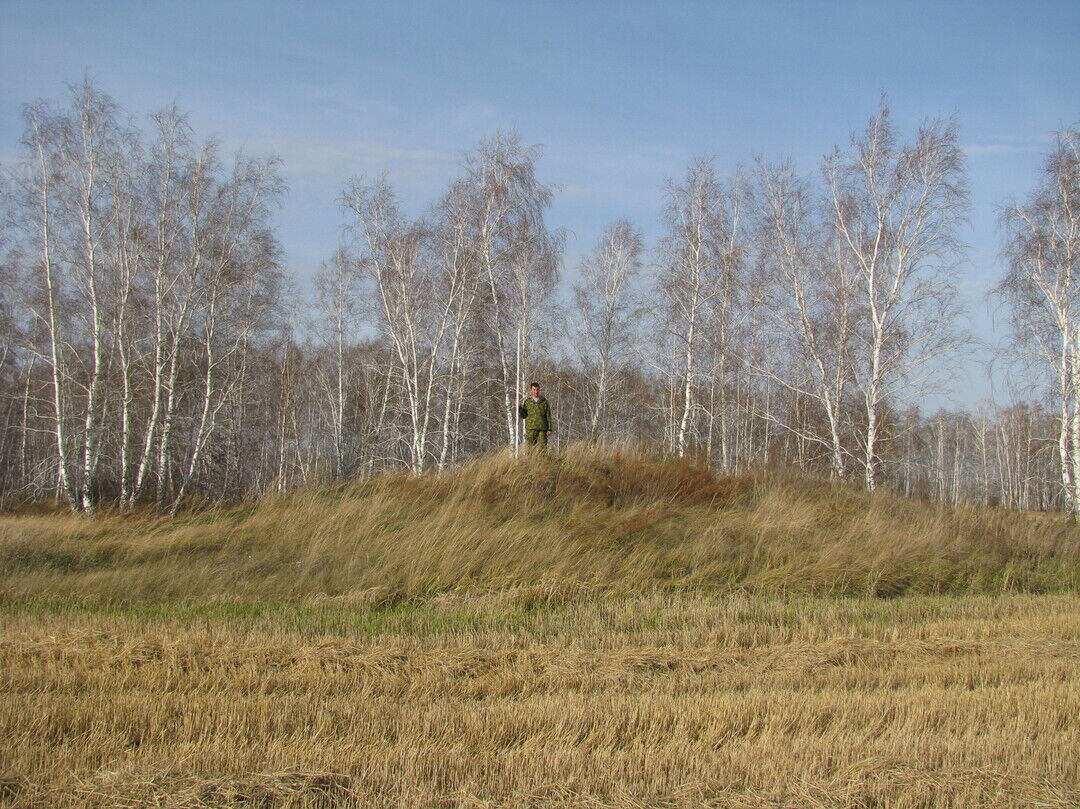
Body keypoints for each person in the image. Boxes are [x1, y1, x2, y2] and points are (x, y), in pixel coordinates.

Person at [518, 382, 553, 451]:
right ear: (531, 390)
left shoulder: (544, 402)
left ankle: (542, 461)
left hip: (542, 428)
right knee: (531, 448)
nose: (536, 391)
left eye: (537, 390)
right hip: (531, 428)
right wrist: (520, 408)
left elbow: (548, 415)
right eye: (534, 390)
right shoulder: (527, 402)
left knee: (543, 448)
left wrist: (550, 428)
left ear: (539, 390)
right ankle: (531, 461)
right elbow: (524, 415)